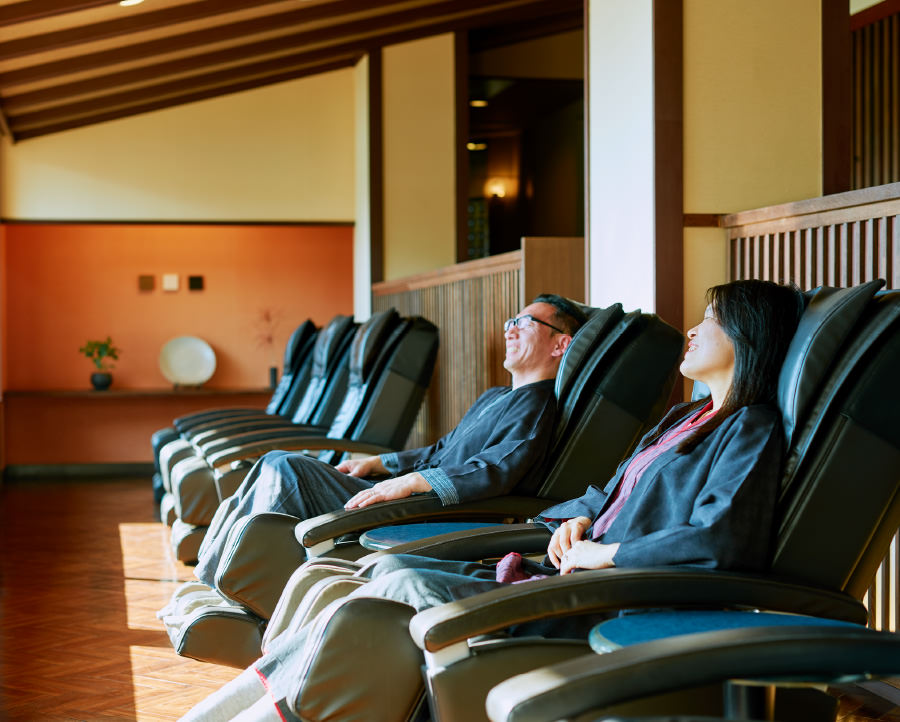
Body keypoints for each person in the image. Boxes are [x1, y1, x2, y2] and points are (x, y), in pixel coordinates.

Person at [180, 279, 805, 722]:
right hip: (561, 570)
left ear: (747, 335)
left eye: (712, 318)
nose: (693, 328)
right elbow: (599, 492)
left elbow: (718, 540)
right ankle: (253, 699)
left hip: (608, 602)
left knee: (393, 585)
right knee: (384, 579)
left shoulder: (749, 429)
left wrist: (603, 554)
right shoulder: (683, 418)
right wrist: (576, 520)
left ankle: (255, 707)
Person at [190, 294, 588, 587]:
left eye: (526, 322)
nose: (511, 329)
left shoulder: (537, 405)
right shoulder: (497, 397)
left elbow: (499, 470)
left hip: (429, 509)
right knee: (271, 463)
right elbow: (439, 450)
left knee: (284, 466)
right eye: (510, 322)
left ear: (559, 344)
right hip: (403, 491)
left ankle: (229, 581)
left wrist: (414, 482)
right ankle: (210, 575)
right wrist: (380, 465)